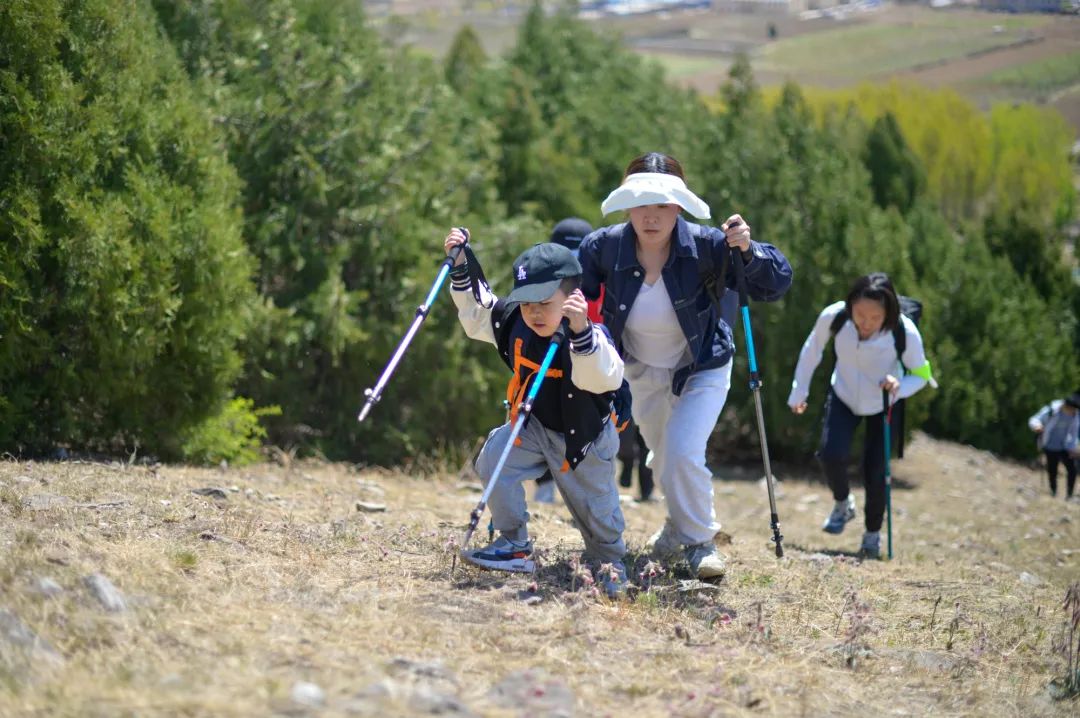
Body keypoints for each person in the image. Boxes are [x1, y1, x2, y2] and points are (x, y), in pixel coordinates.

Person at [577, 152, 793, 579]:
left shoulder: (710, 246)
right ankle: (677, 527)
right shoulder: (602, 247)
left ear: (679, 206)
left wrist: (749, 251)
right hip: (639, 368)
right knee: (661, 457)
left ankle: (699, 543)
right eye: (642, 203)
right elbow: (576, 293)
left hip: (703, 365)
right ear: (627, 204)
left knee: (680, 450)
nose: (651, 216)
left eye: (662, 205)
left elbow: (776, 283)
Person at [444, 229, 629, 597]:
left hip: (584, 440)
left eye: (545, 301)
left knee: (595, 509)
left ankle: (608, 561)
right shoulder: (515, 320)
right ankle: (513, 543)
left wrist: (578, 331)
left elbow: (601, 376)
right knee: (495, 460)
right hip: (534, 425)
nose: (535, 312)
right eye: (527, 302)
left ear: (572, 297)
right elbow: (480, 310)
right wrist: (462, 265)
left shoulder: (592, 335)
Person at [787, 273, 933, 558]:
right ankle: (843, 503)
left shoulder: (905, 332)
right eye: (860, 314)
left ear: (888, 314)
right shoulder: (836, 317)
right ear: (850, 304)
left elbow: (923, 375)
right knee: (830, 454)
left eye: (875, 317)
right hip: (842, 393)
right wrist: (798, 391)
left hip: (882, 402)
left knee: (876, 473)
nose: (865, 323)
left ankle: (872, 536)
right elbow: (812, 349)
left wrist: (899, 386)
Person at [534, 217, 599, 504]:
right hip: (550, 360)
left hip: (586, 359)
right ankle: (546, 484)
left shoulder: (597, 284)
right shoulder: (540, 283)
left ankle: (587, 489)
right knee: (543, 417)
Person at [1028, 392, 1080, 500]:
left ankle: (1069, 495)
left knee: (1072, 469)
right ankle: (1053, 492)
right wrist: (1037, 426)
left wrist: (1072, 448)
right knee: (1053, 470)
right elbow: (1034, 419)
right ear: (1066, 406)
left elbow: (1074, 433)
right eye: (1072, 410)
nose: (1073, 412)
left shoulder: (1075, 416)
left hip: (1065, 446)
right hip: (1049, 445)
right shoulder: (1052, 410)